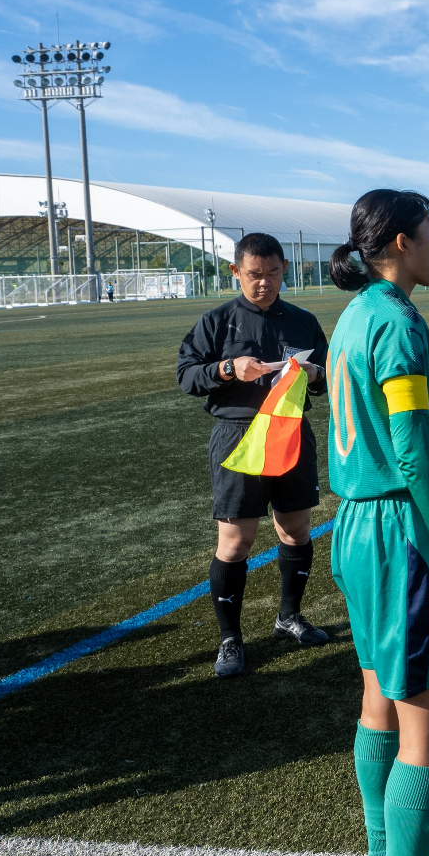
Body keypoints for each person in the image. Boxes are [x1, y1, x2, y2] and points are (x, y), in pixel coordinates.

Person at [327, 189, 429, 856]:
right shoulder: (397, 323)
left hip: (354, 527)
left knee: (379, 699)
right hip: (398, 534)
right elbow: (414, 454)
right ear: (399, 243)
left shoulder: (355, 314)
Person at [177, 233, 330, 678]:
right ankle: (230, 639)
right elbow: (186, 376)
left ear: (285, 267)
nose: (264, 283)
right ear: (236, 272)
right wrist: (227, 368)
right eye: (254, 275)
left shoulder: (302, 320)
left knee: (296, 530)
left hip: (291, 433)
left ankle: (289, 617)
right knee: (236, 542)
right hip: (238, 435)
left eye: (273, 274)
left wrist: (316, 374)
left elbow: (325, 379)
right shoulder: (217, 321)